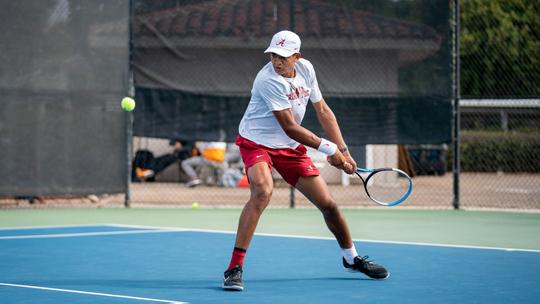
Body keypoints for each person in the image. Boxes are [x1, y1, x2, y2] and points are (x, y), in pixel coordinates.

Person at [222, 30, 389, 291]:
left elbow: (322, 110)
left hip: (289, 149)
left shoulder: (306, 70)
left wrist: (343, 151)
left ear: (297, 57)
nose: (277, 61)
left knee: (329, 205)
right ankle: (234, 268)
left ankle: (351, 259)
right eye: (273, 55)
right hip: (257, 142)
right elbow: (290, 126)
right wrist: (329, 149)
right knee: (262, 192)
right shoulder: (268, 80)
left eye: (283, 57)